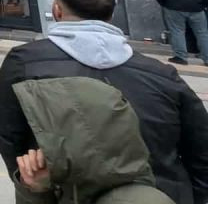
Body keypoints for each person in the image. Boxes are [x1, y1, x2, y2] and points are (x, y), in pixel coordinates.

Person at [0, 0, 208, 204]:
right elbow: (200, 147)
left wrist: (29, 183)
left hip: (67, 192)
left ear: (57, 11)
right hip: (161, 194)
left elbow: (9, 135)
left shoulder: (25, 62)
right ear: (111, 17)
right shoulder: (162, 74)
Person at [11, 77, 175, 204]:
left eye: (47, 136)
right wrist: (37, 189)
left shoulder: (136, 201)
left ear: (81, 139)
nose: (39, 149)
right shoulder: (77, 185)